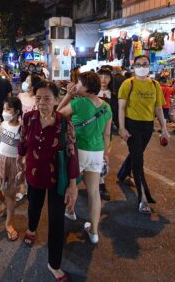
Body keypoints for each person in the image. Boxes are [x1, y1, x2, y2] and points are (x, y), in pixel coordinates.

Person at [18, 81, 79, 281]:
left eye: (47, 98)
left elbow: (72, 153)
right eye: (38, 98)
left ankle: (54, 264)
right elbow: (23, 143)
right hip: (34, 174)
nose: (42, 102)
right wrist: (20, 163)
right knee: (33, 207)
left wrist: (72, 184)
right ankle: (31, 228)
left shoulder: (64, 123)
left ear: (56, 101)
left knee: (57, 220)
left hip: (57, 179)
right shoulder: (28, 119)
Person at [58, 72, 112, 244]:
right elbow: (107, 134)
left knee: (68, 185)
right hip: (96, 153)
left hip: (78, 151)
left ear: (87, 88)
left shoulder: (79, 103)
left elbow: (58, 114)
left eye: (79, 84)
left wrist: (68, 94)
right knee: (94, 192)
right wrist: (106, 154)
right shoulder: (106, 107)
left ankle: (67, 212)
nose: (76, 86)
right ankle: (94, 232)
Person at [117, 55, 170, 214]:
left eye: (145, 64)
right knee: (139, 161)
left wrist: (164, 129)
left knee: (136, 154)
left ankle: (122, 174)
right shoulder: (128, 84)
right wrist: (122, 128)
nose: (142, 66)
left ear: (149, 66)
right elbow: (121, 108)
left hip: (148, 127)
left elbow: (158, 108)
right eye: (138, 64)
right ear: (134, 66)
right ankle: (143, 199)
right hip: (132, 125)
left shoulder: (155, 85)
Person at [0, 97, 23, 241]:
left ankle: (9, 224)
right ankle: (4, 202)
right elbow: (0, 139)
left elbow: (24, 148)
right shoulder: (3, 124)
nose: (5, 112)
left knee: (11, 196)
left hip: (14, 164)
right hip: (1, 159)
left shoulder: (22, 128)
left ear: (17, 111)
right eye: (4, 109)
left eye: (8, 109)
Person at [97, 68, 114, 200]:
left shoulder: (113, 94)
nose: (103, 79)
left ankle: (101, 185)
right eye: (101, 76)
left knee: (103, 158)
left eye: (107, 77)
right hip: (92, 130)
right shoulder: (92, 92)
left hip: (106, 131)